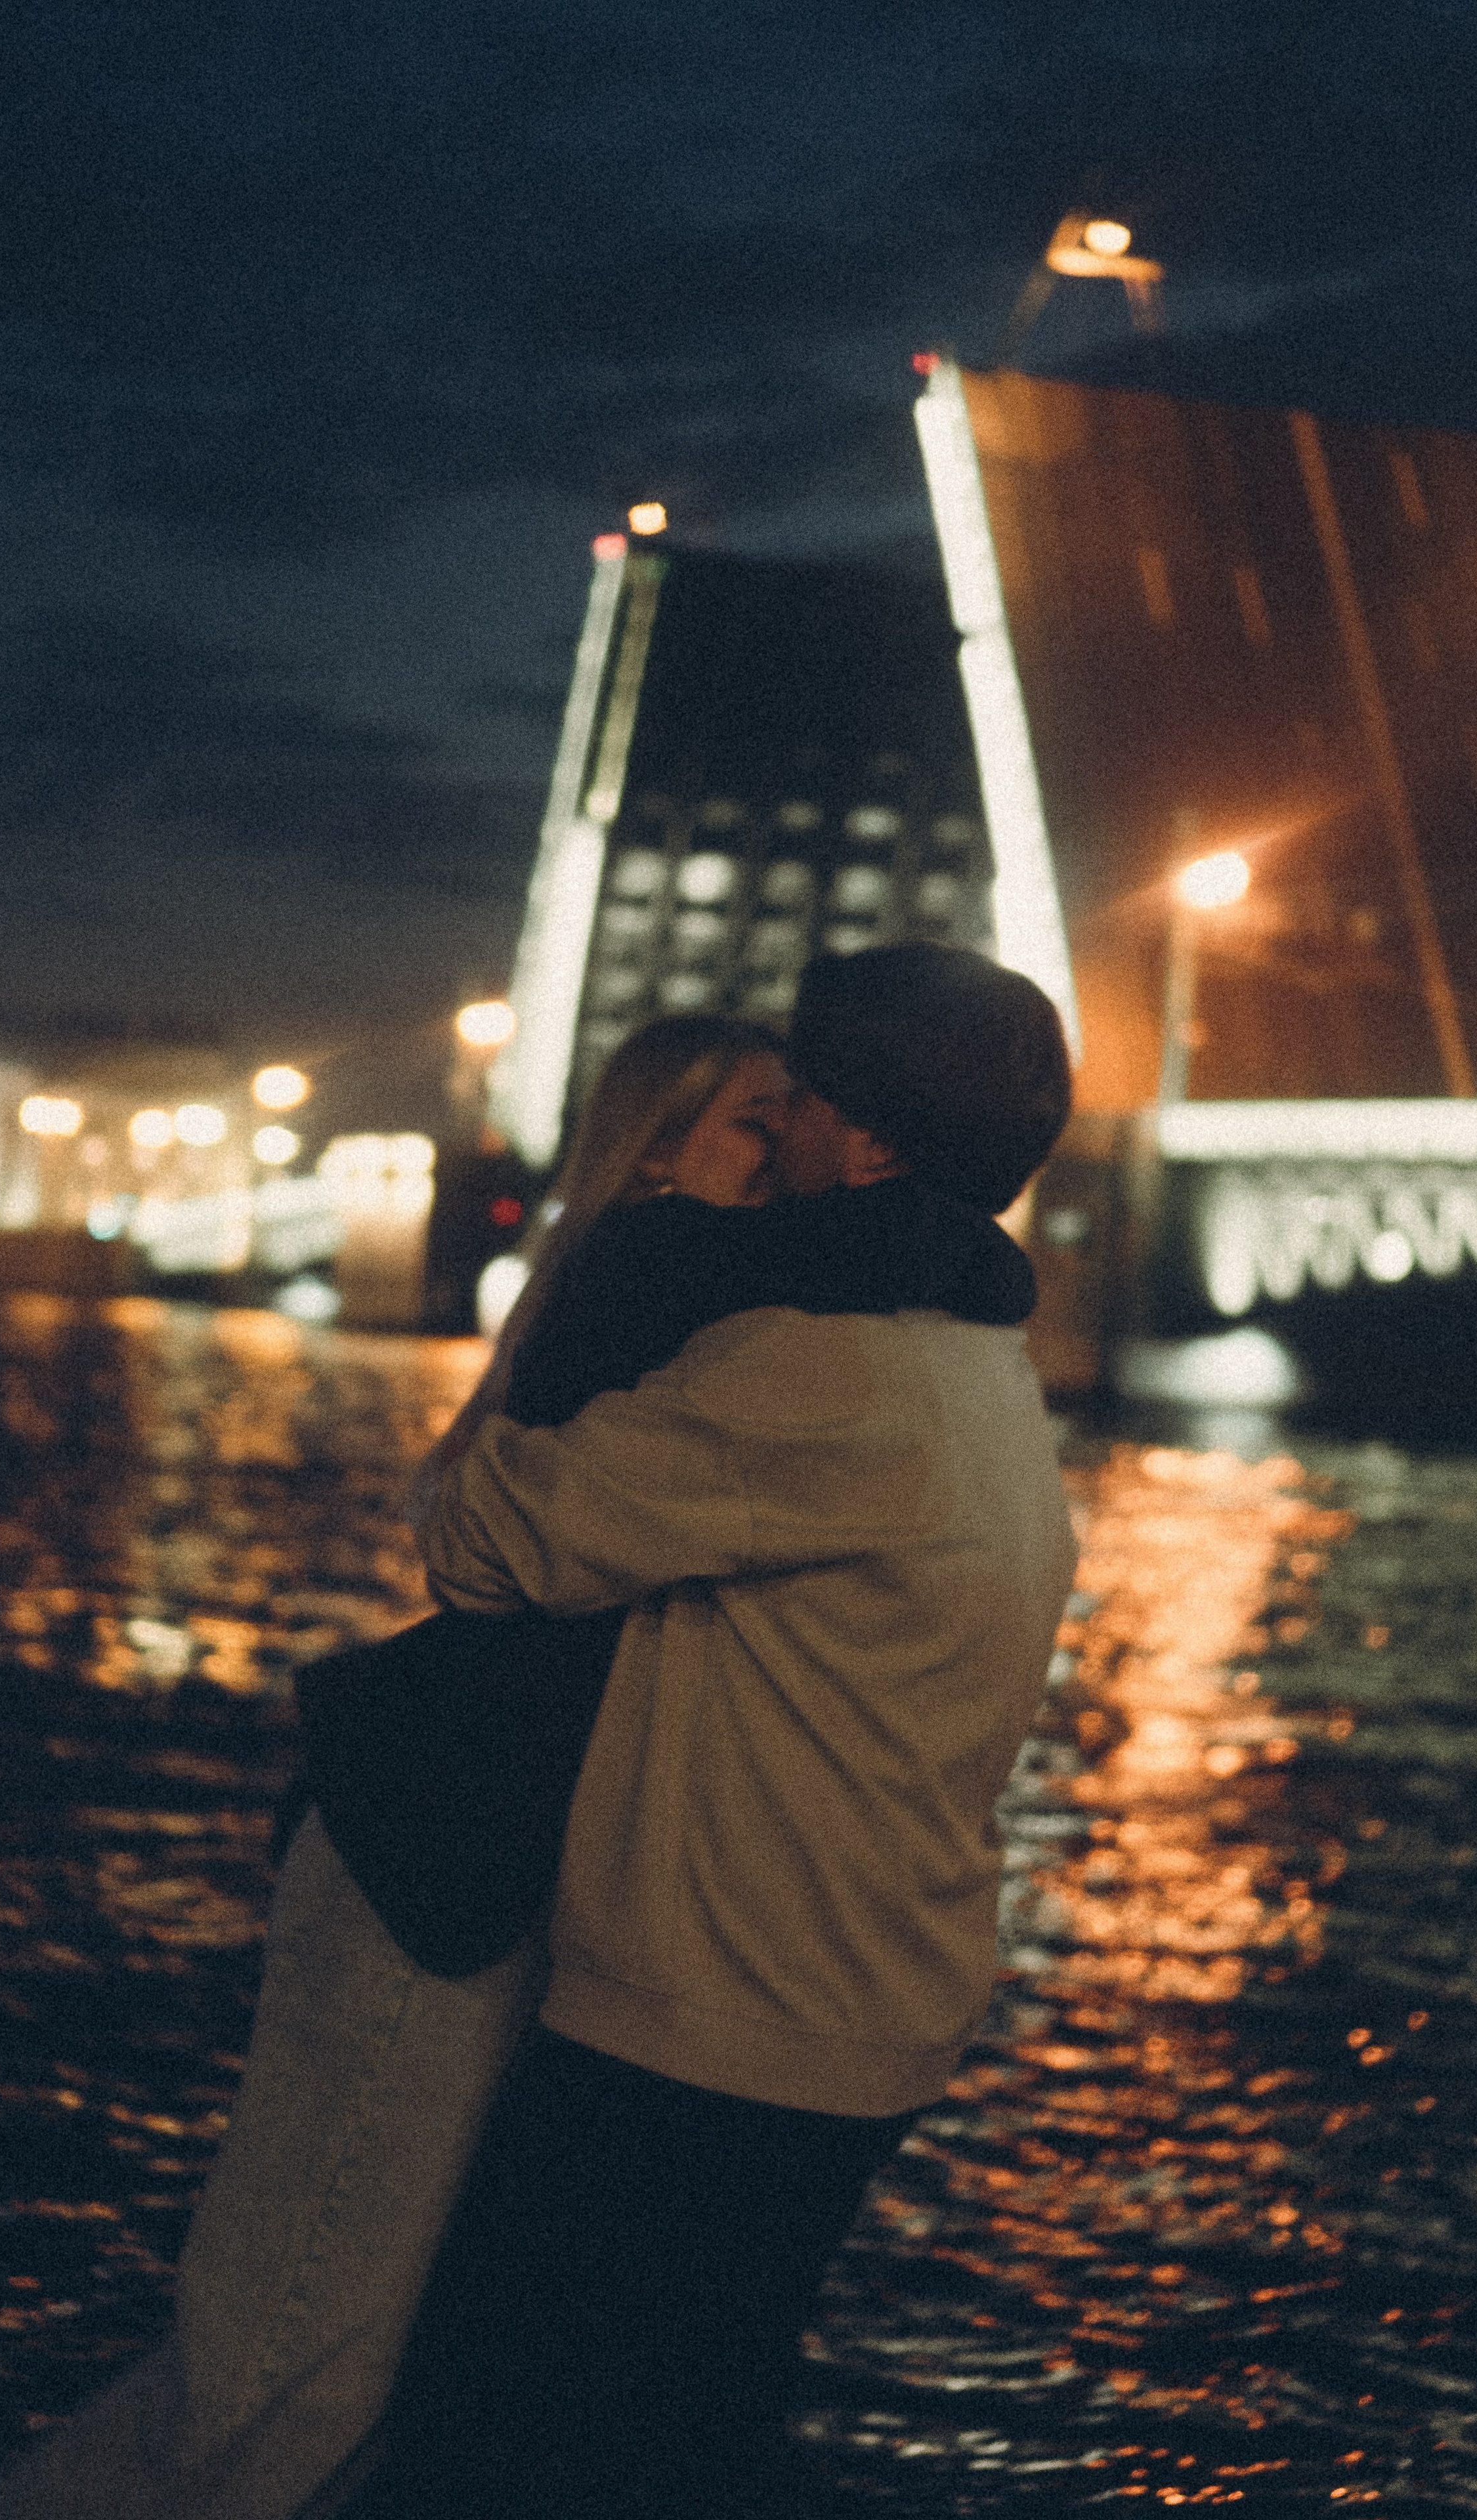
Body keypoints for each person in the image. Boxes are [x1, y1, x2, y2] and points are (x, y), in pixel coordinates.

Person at [0, 1015, 793, 2520]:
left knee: (335, 2375)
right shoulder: (661, 1265)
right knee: (292, 2373)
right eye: (758, 1120)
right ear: (660, 1148)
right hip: (432, 1876)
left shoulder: (645, 1294)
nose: (793, 1153)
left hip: (464, 1872)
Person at [349, 940, 1079, 2519]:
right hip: (861, 2007)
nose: (783, 1120)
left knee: (503, 2445)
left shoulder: (817, 1368)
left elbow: (482, 1540)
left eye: (801, 1100)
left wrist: (631, 1265)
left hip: (706, 2024)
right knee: (681, 2439)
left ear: (867, 1147)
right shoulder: (973, 1361)